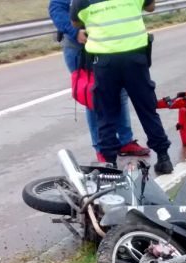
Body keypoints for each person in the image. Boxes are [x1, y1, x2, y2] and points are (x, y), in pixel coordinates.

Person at [70, 0, 173, 174]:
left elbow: (75, 21)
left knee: (106, 113)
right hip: (135, 58)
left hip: (104, 61)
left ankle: (110, 164)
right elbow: (150, 6)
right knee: (147, 108)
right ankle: (163, 157)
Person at [48, 0, 150, 162]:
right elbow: (56, 9)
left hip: (106, 47)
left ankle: (125, 142)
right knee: (94, 99)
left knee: (120, 95)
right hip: (79, 49)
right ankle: (102, 148)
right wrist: (75, 32)